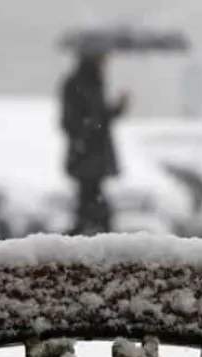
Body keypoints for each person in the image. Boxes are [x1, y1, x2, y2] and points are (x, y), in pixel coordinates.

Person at [58, 50, 129, 235]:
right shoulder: (76, 83)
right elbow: (71, 120)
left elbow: (102, 116)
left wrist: (120, 106)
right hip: (86, 152)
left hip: (95, 152)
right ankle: (97, 232)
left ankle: (93, 232)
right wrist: (87, 130)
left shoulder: (96, 82)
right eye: (101, 56)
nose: (106, 60)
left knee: (90, 197)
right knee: (90, 197)